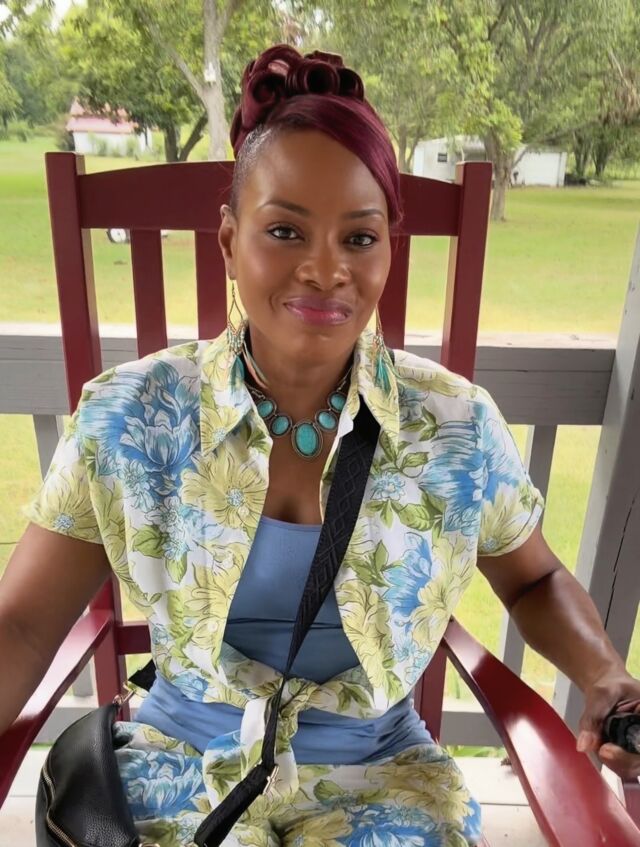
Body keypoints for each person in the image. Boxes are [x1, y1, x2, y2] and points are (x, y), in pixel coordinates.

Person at [1, 43, 639, 847]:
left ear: (389, 249)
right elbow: (23, 626)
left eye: (359, 238)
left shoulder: (453, 426)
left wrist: (604, 673)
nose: (325, 269)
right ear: (228, 240)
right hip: (179, 763)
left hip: (383, 775)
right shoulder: (131, 417)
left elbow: (534, 575)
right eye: (285, 230)